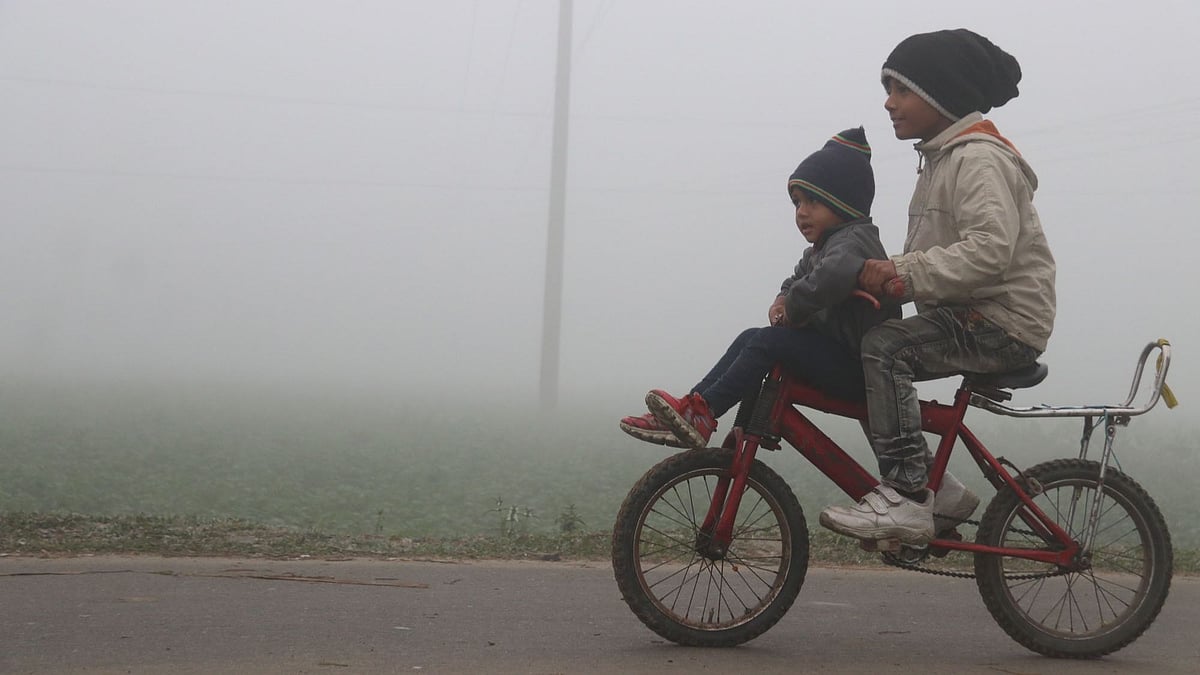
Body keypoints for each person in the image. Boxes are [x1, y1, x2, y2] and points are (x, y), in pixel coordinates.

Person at [819, 29, 1057, 546]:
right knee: (869, 352)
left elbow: (989, 250)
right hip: (972, 312)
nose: (889, 102)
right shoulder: (942, 159)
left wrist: (901, 272)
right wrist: (885, 280)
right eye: (888, 90)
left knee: (886, 349)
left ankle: (908, 495)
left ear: (941, 94)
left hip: (1002, 321)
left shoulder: (978, 159)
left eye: (902, 90)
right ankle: (940, 492)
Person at [620, 127, 899, 449]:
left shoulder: (853, 242)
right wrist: (782, 300)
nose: (801, 212)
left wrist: (791, 310)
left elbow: (829, 279)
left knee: (768, 342)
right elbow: (796, 280)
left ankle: (705, 412)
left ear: (844, 202)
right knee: (752, 337)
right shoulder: (823, 248)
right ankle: (694, 407)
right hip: (835, 356)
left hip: (861, 369)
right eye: (797, 202)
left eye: (813, 201)